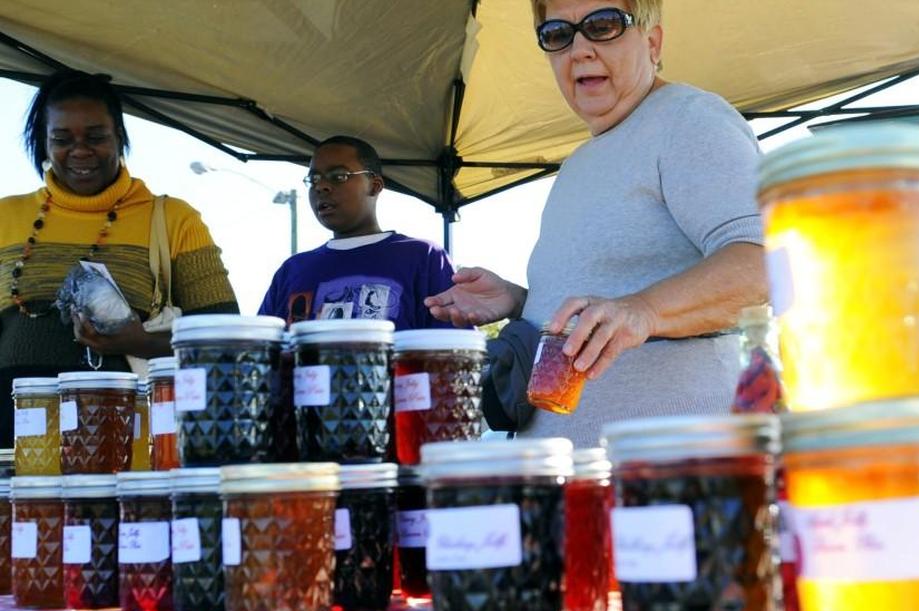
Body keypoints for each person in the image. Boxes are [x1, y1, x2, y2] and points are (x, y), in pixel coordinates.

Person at [426, 0, 768, 447]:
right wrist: (521, 301)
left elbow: (764, 264)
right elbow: (607, 302)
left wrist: (644, 311)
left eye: (603, 25)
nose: (580, 49)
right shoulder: (579, 162)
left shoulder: (689, 120)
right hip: (578, 475)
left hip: (676, 467)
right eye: (557, 34)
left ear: (653, 42)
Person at [0, 70, 239, 447]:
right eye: (62, 139)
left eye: (96, 137)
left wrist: (141, 342)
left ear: (120, 136)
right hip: (14, 435)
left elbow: (225, 338)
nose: (80, 151)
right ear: (44, 143)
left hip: (125, 438)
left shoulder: (174, 220)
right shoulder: (6, 217)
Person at [258, 136, 459, 330]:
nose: (321, 186)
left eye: (339, 176)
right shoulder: (292, 270)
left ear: (374, 186)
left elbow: (453, 346)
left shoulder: (423, 257)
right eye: (314, 179)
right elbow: (260, 346)